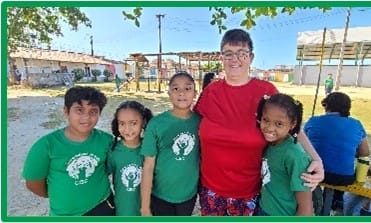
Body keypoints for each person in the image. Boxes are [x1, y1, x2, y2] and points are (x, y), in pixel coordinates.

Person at [193, 28, 324, 216]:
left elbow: (290, 126)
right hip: (210, 190)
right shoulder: (210, 92)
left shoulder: (265, 90)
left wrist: (317, 159)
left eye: (242, 53)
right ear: (221, 58)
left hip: (247, 193)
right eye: (228, 53)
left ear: (251, 57)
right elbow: (191, 123)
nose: (234, 59)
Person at [22, 86, 115, 216]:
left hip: (103, 206)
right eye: (79, 110)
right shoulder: (46, 145)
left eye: (93, 111)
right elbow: (34, 183)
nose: (86, 117)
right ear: (66, 111)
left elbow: (108, 169)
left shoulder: (106, 141)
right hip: (65, 214)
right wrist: (60, 194)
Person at [140, 71, 200, 216]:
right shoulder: (156, 124)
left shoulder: (201, 122)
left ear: (195, 93)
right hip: (160, 195)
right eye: (175, 89)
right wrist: (145, 206)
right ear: (169, 93)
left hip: (189, 195)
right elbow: (148, 167)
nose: (181, 93)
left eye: (187, 88)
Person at [303, 92, 370, 215]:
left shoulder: (314, 121)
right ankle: (337, 203)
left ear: (326, 105)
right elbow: (365, 152)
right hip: (344, 177)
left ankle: (315, 204)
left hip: (314, 173)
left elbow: (302, 146)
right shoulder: (356, 124)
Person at [256, 94, 313, 216]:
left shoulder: (295, 156)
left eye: (279, 124)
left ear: (292, 124)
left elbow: (306, 207)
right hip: (264, 209)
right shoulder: (268, 144)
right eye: (266, 120)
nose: (270, 128)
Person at [107, 101, 153, 216]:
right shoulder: (113, 151)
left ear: (143, 122)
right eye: (122, 123)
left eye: (133, 123)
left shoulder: (150, 149)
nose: (127, 129)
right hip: (123, 210)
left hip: (148, 209)